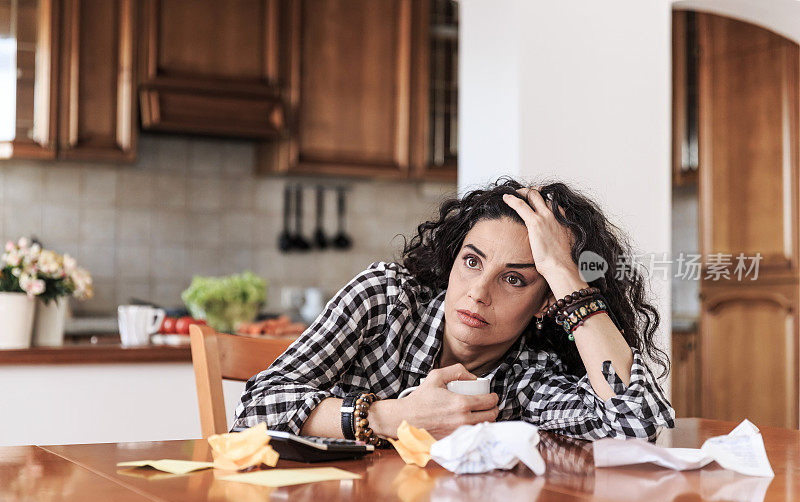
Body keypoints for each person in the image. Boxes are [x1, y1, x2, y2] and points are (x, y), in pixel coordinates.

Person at [232, 178, 674, 442]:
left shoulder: (525, 376)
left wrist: (564, 273)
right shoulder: (384, 300)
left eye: (515, 278)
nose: (478, 292)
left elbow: (637, 421)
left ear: (546, 303)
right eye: (472, 261)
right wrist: (388, 417)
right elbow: (254, 410)